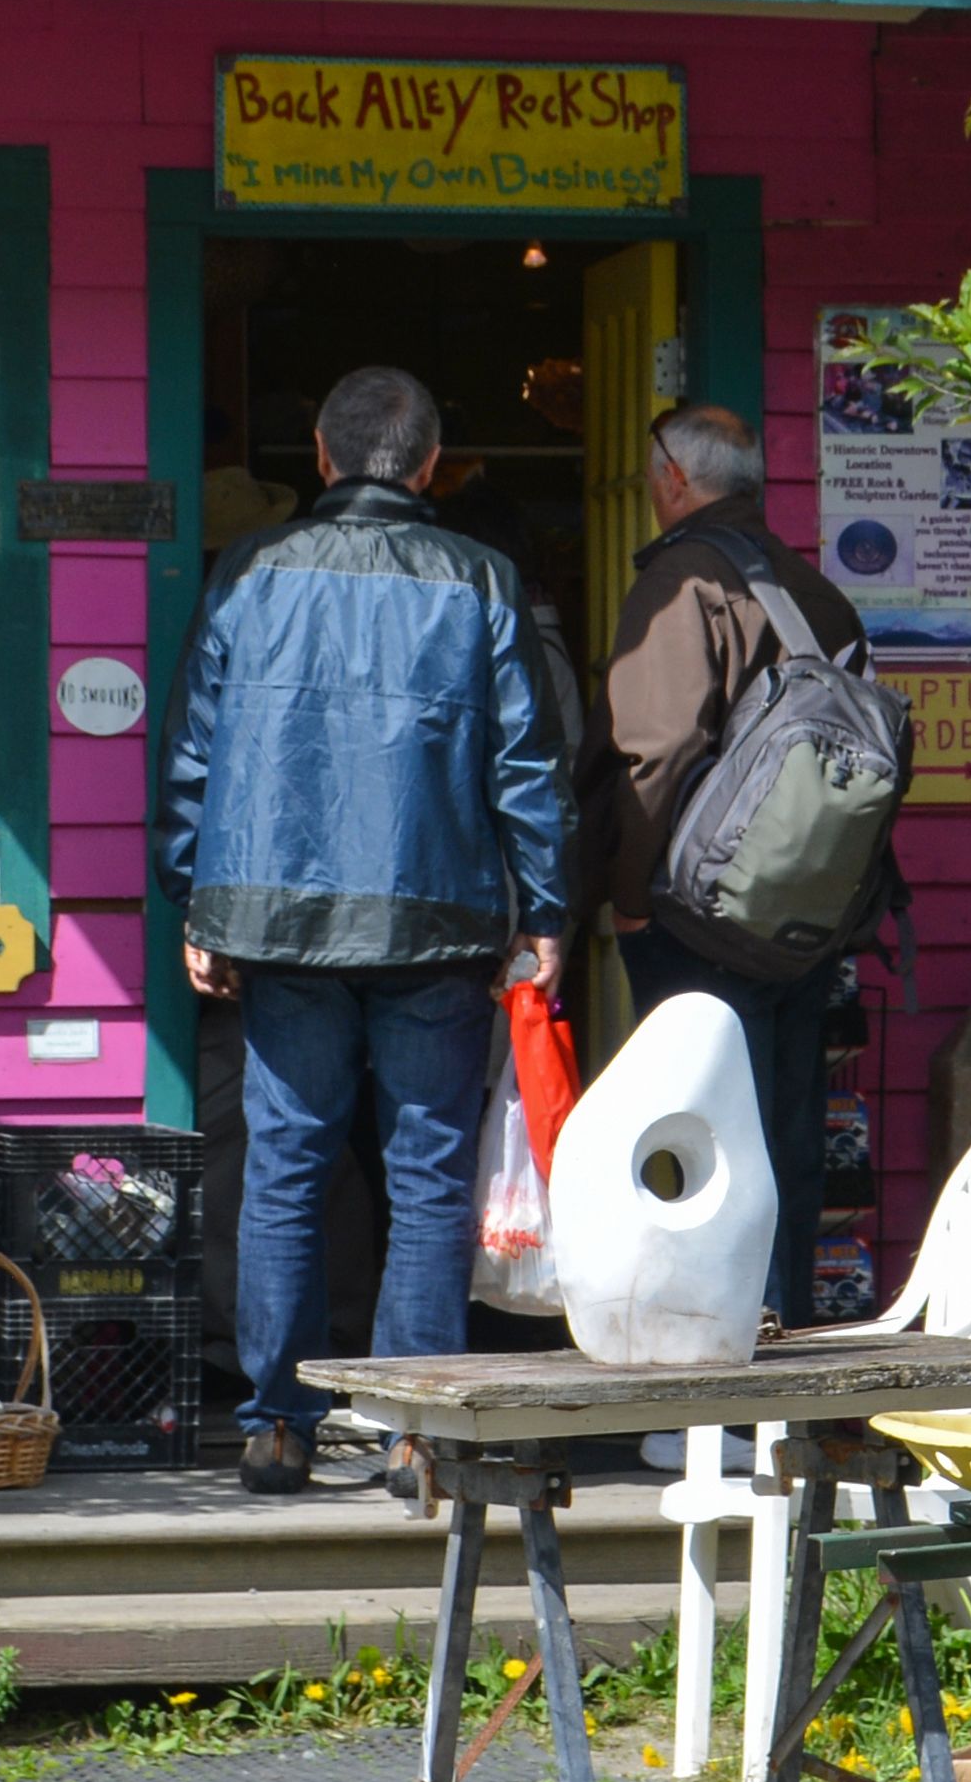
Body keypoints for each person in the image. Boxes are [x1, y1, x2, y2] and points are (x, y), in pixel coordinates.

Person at [160, 363, 571, 1497]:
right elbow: (526, 767)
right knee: (430, 1175)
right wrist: (542, 912)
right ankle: (411, 1430)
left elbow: (196, 749)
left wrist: (193, 891)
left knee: (285, 1167)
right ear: (430, 466)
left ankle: (277, 1425)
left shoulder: (251, 570)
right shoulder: (480, 577)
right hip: (439, 916)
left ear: (322, 456)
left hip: (281, 920)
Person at [584, 401, 881, 1329]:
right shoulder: (813, 591)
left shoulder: (683, 582)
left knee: (690, 1150)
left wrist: (627, 897)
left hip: (698, 920)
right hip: (800, 921)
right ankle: (770, 1362)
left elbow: (657, 756)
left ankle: (705, 1381)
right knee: (780, 1143)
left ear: (671, 474)